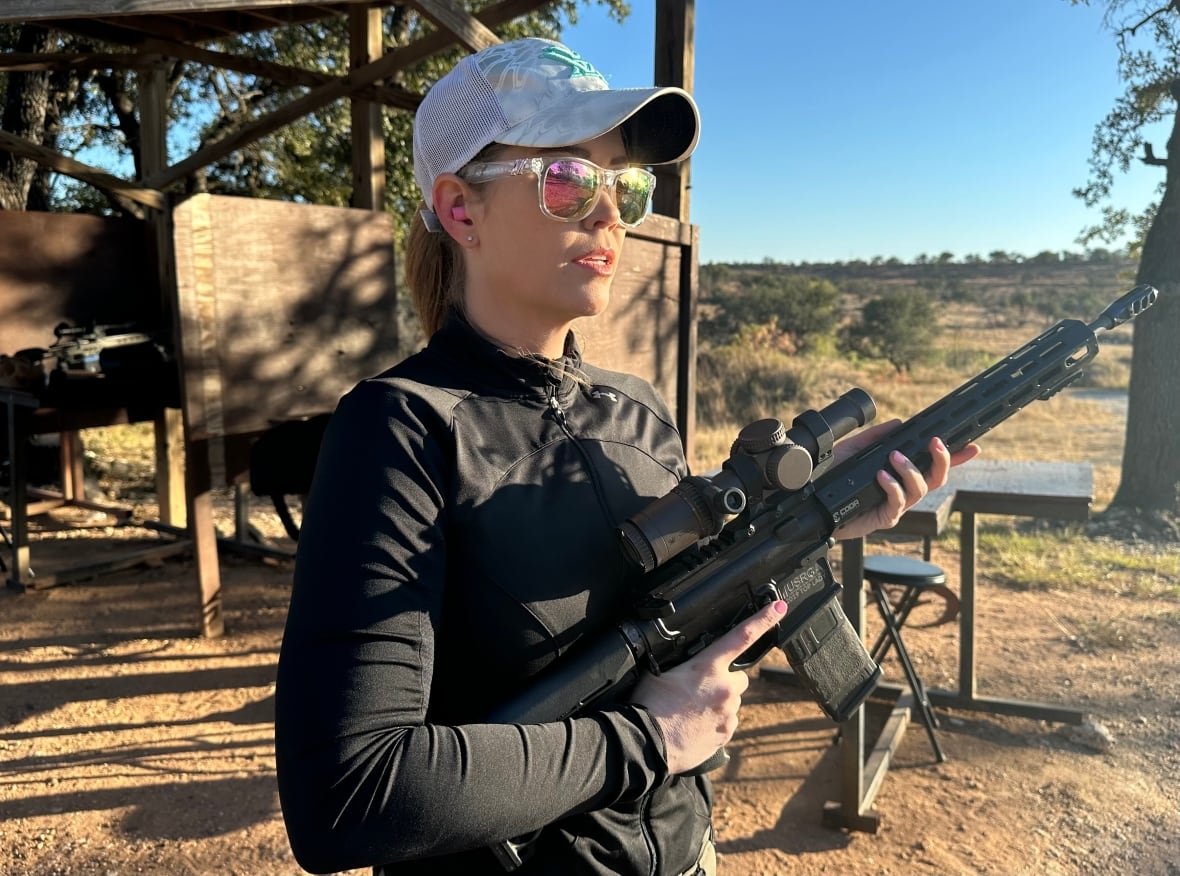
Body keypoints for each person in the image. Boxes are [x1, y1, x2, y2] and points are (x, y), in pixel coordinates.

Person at [274, 36, 978, 876]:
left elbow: (682, 648)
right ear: (460, 210)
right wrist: (645, 741)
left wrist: (819, 522)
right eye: (568, 180)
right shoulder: (398, 431)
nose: (608, 213)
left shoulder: (637, 411)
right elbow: (347, 795)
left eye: (624, 184)